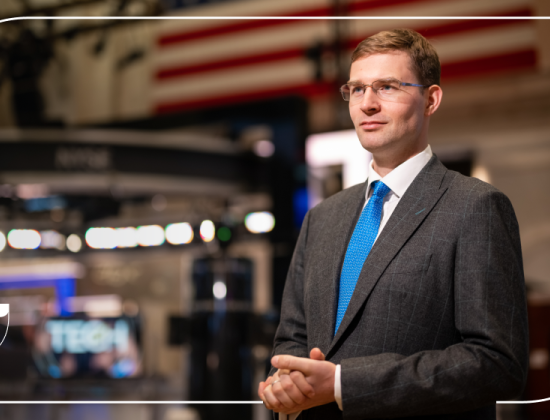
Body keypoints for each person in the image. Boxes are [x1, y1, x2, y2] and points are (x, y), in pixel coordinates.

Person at [258, 28, 528, 420]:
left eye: (386, 87)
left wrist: (343, 384)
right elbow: (292, 340)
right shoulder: (322, 217)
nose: (367, 104)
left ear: (431, 99)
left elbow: (497, 364)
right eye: (357, 89)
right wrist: (284, 383)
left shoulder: (476, 207)